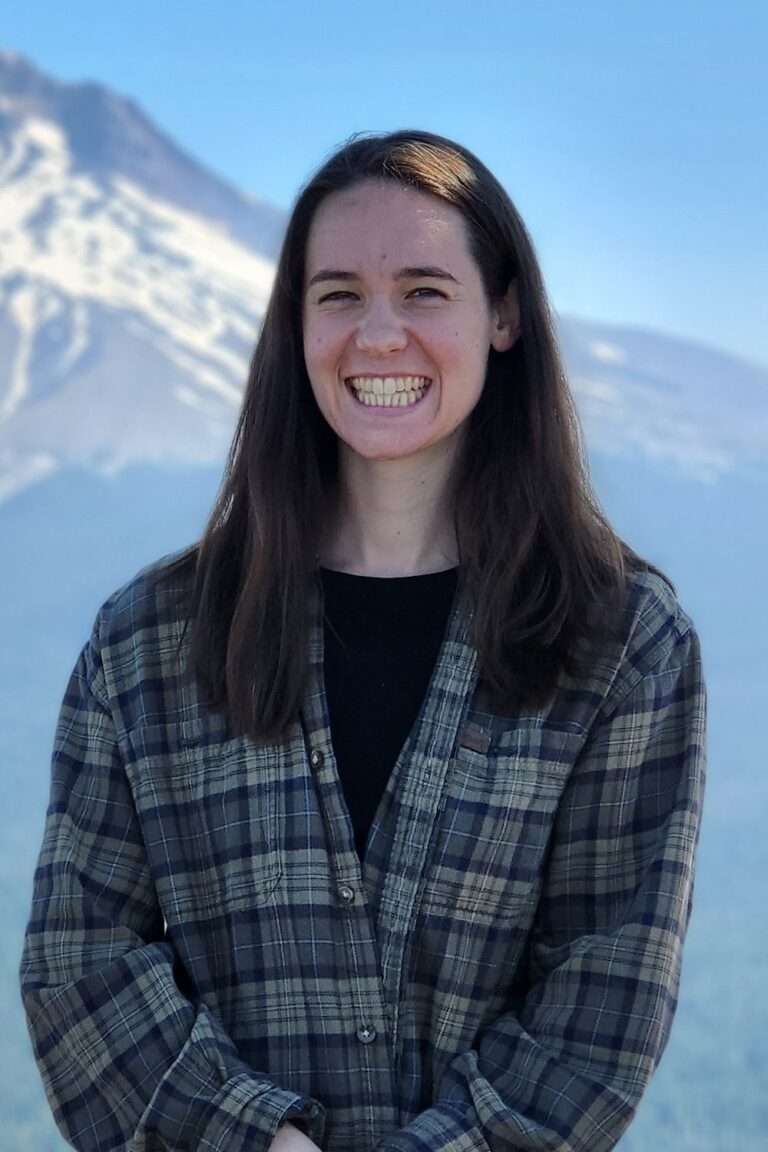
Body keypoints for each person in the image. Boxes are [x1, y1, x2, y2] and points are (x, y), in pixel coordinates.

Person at [20, 130, 706, 1152]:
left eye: (425, 290)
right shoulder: (145, 645)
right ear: (295, 326)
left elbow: (604, 994)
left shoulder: (621, 645)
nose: (377, 335)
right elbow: (79, 962)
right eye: (338, 294)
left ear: (505, 313)